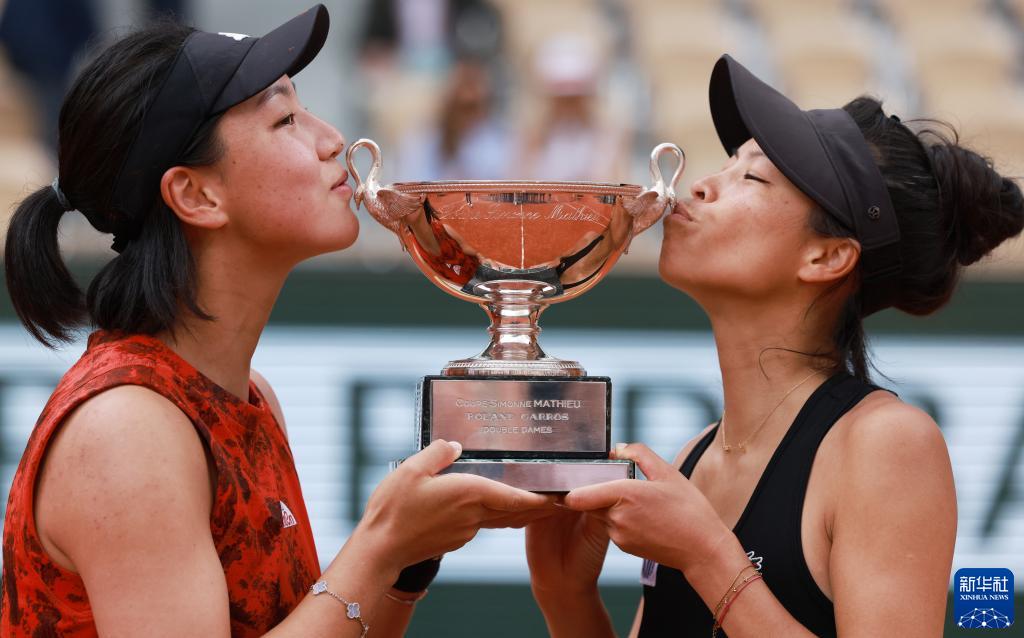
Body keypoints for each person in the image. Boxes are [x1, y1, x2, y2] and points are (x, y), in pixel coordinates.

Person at [1, 6, 552, 637]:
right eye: (285, 119)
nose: (332, 139)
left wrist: (406, 561)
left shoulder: (245, 395)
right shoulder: (128, 428)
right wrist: (380, 541)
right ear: (196, 195)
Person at [525, 54, 1024, 637]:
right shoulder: (694, 457)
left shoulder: (887, 444)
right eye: (728, 163)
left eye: (752, 178)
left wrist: (707, 555)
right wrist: (565, 594)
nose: (701, 185)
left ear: (827, 257)